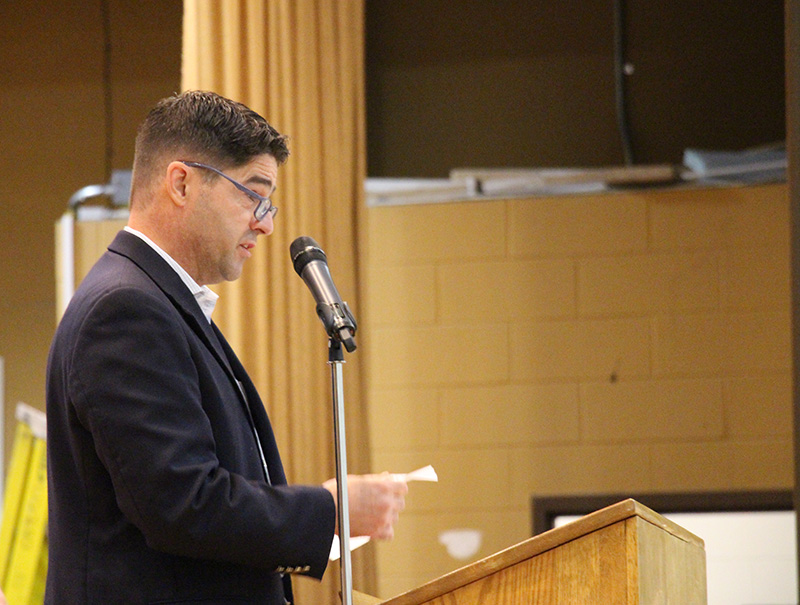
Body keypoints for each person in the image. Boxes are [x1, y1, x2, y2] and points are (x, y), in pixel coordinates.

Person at [45, 90, 407, 604]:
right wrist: (329, 509)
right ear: (181, 183)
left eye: (269, 203)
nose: (266, 223)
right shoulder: (125, 310)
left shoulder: (157, 301)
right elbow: (182, 505)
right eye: (252, 194)